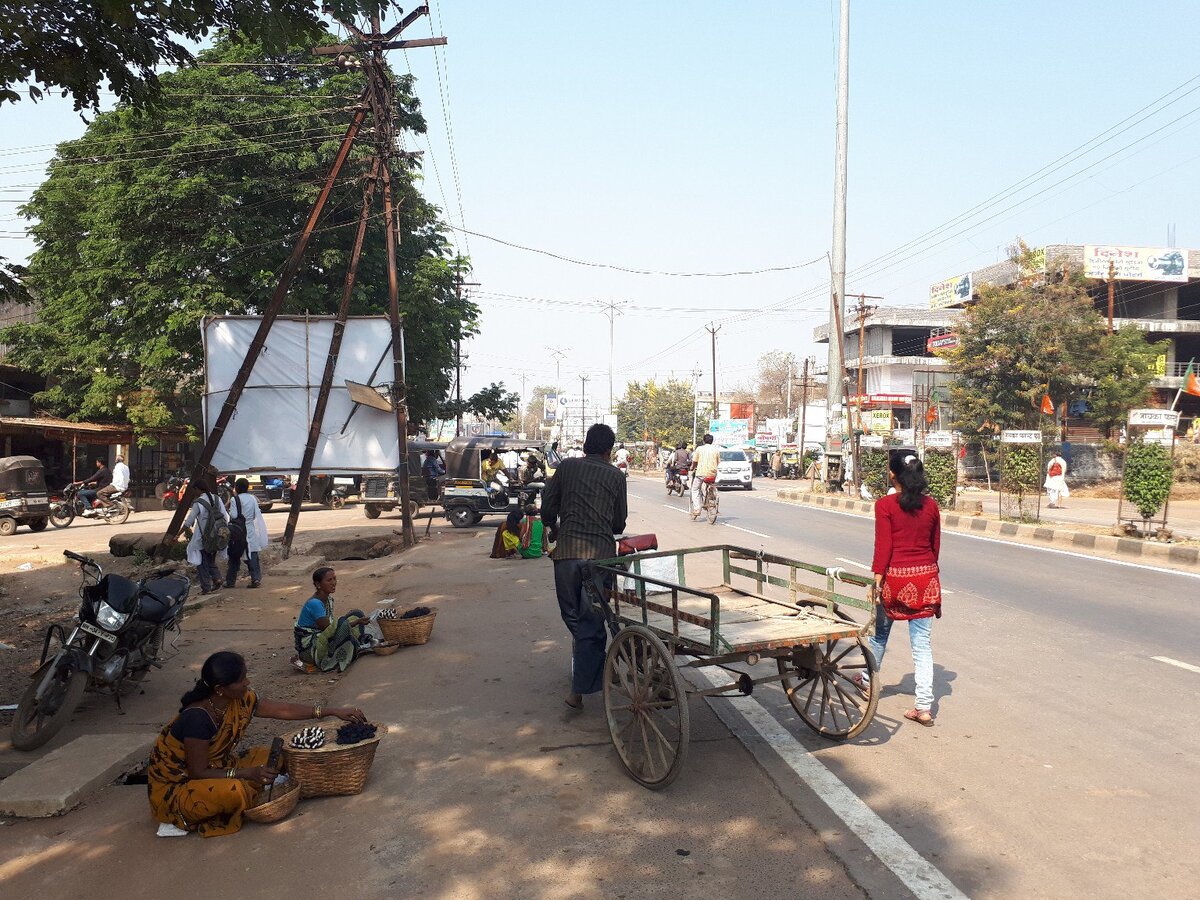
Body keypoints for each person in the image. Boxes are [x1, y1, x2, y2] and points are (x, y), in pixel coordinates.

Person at [147, 650, 366, 838]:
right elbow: (197, 771)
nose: (247, 683)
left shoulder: (239, 699)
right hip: (179, 786)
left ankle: (256, 784)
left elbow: (283, 710)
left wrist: (332, 711)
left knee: (278, 754)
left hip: (218, 765)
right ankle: (179, 817)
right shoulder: (198, 717)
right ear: (220, 688)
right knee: (236, 791)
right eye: (241, 680)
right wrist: (245, 773)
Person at [541, 422, 628, 709]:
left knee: (575, 618)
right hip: (601, 556)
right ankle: (600, 670)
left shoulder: (565, 467)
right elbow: (618, 523)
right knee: (592, 619)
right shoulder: (616, 476)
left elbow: (547, 508)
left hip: (567, 555)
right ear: (609, 450)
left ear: (586, 445)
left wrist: (553, 526)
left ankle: (582, 686)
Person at [861, 453, 942, 727]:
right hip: (926, 580)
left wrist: (877, 580)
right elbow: (935, 547)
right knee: (922, 646)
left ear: (893, 475)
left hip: (895, 581)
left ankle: (865, 680)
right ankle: (923, 707)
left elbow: (883, 547)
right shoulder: (931, 505)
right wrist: (926, 572)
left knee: (880, 635)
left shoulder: (885, 505)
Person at [292, 567, 366, 673]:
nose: (334, 583)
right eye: (329, 580)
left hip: (321, 637)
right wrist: (356, 623)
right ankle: (344, 653)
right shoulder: (315, 604)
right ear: (318, 584)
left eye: (334, 579)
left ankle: (357, 643)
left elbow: (331, 626)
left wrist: (355, 621)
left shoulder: (327, 599)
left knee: (357, 614)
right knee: (345, 623)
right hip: (311, 649)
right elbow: (329, 629)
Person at [183, 477, 231, 595]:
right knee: (210, 560)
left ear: (199, 489)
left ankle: (206, 587)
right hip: (217, 536)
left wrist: (177, 535)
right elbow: (225, 517)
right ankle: (217, 578)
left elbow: (188, 522)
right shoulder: (217, 498)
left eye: (195, 490)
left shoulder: (198, 503)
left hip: (202, 538)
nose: (194, 492)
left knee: (201, 563)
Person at [225, 478, 267, 589]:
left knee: (234, 555)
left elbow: (233, 515)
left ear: (237, 488)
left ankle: (230, 581)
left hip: (238, 530)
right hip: (250, 529)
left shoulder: (235, 499)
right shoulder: (252, 498)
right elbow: (254, 515)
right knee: (252, 554)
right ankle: (255, 578)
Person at [690, 434, 720, 518]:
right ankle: (711, 497)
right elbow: (718, 462)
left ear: (704, 441)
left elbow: (695, 461)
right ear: (712, 441)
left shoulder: (699, 449)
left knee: (695, 489)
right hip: (712, 474)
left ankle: (697, 509)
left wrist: (692, 467)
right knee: (710, 484)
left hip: (701, 473)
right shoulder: (716, 450)